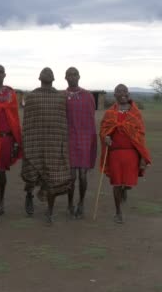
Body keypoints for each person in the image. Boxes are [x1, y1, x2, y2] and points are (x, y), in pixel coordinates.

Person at [21, 67, 71, 224]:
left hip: (54, 145)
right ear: (39, 77)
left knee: (52, 180)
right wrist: (27, 141)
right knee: (31, 177)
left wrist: (63, 143)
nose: (47, 74)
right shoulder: (31, 97)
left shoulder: (61, 98)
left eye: (50, 73)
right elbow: (27, 122)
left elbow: (63, 122)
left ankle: (49, 212)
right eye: (45, 73)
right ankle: (29, 195)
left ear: (54, 78)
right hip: (34, 144)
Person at [100, 84, 152, 224]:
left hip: (131, 154)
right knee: (116, 183)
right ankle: (118, 212)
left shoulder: (135, 113)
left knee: (128, 183)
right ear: (114, 95)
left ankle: (125, 189)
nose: (122, 94)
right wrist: (106, 136)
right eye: (119, 91)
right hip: (115, 154)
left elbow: (140, 135)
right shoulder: (110, 113)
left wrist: (141, 156)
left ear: (128, 94)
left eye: (125, 91)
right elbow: (104, 130)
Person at [0, 64, 22, 219]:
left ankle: (1, 198)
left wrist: (16, 139)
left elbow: (14, 117)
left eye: (1, 72)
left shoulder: (11, 93)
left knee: (1, 172)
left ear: (5, 75)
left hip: (7, 138)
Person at [64, 67, 97, 219]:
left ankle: (81, 202)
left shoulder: (88, 96)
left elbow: (91, 118)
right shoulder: (62, 96)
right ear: (65, 78)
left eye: (74, 74)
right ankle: (70, 203)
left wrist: (91, 140)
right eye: (69, 75)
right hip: (69, 138)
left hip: (84, 138)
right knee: (71, 176)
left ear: (79, 76)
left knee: (83, 175)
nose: (72, 77)